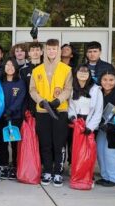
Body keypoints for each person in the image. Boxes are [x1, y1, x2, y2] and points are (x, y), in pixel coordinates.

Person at [30, 39, 72, 187]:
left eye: (54, 49)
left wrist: (58, 100)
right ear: (44, 51)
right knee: (45, 142)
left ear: (59, 51)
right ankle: (47, 170)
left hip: (60, 110)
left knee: (59, 142)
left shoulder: (66, 69)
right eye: (49, 49)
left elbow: (68, 89)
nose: (51, 52)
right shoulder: (37, 70)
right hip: (42, 110)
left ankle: (58, 172)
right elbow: (32, 89)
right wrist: (40, 100)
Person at [68, 64, 103, 185]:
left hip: (89, 124)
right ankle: (76, 172)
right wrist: (72, 118)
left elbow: (98, 111)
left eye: (86, 72)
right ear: (76, 73)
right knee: (75, 150)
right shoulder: (72, 88)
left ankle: (88, 173)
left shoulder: (96, 89)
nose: (83, 74)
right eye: (80, 72)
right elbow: (70, 106)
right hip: (76, 124)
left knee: (88, 151)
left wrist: (90, 127)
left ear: (89, 75)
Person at [0, 58, 26, 180]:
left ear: (16, 68)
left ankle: (15, 166)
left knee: (14, 143)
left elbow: (20, 99)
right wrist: (1, 112)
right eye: (7, 65)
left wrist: (10, 111)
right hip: (0, 117)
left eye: (12, 65)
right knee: (1, 143)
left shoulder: (20, 83)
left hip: (15, 117)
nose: (9, 67)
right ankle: (3, 165)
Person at [96, 71, 115, 187]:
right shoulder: (98, 93)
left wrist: (111, 126)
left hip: (114, 130)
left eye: (111, 80)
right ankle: (105, 176)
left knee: (110, 154)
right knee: (100, 152)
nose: (107, 82)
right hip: (102, 129)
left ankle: (113, 178)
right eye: (105, 79)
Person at [19, 42, 43, 116]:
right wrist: (25, 107)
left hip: (44, 105)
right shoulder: (23, 70)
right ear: (29, 53)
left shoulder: (47, 68)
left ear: (41, 52)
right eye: (32, 50)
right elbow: (23, 90)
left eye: (37, 50)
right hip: (29, 107)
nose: (35, 52)